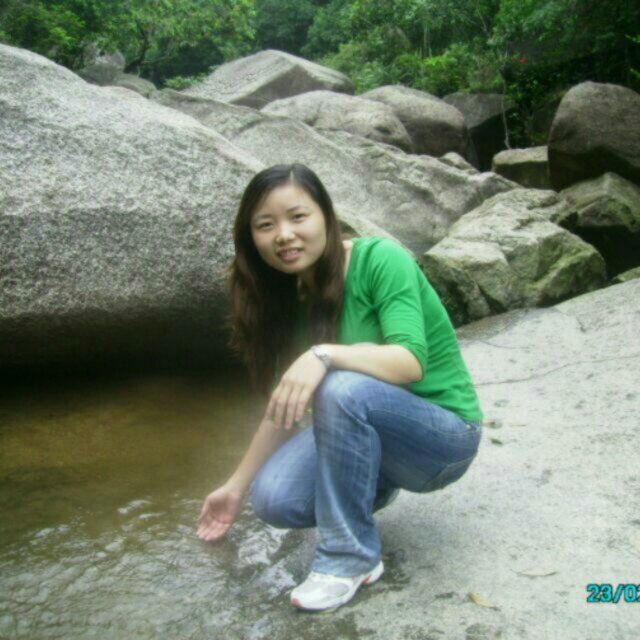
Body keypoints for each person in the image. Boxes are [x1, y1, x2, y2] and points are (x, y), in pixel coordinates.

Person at [197, 163, 483, 612]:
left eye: (298, 217)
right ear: (250, 238)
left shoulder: (379, 259)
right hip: (374, 435)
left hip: (443, 439)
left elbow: (410, 362)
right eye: (265, 225)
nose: (284, 235)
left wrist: (324, 354)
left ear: (326, 218)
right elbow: (285, 408)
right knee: (273, 499)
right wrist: (235, 487)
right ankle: (366, 487)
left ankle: (349, 559)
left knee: (340, 386)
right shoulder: (287, 300)